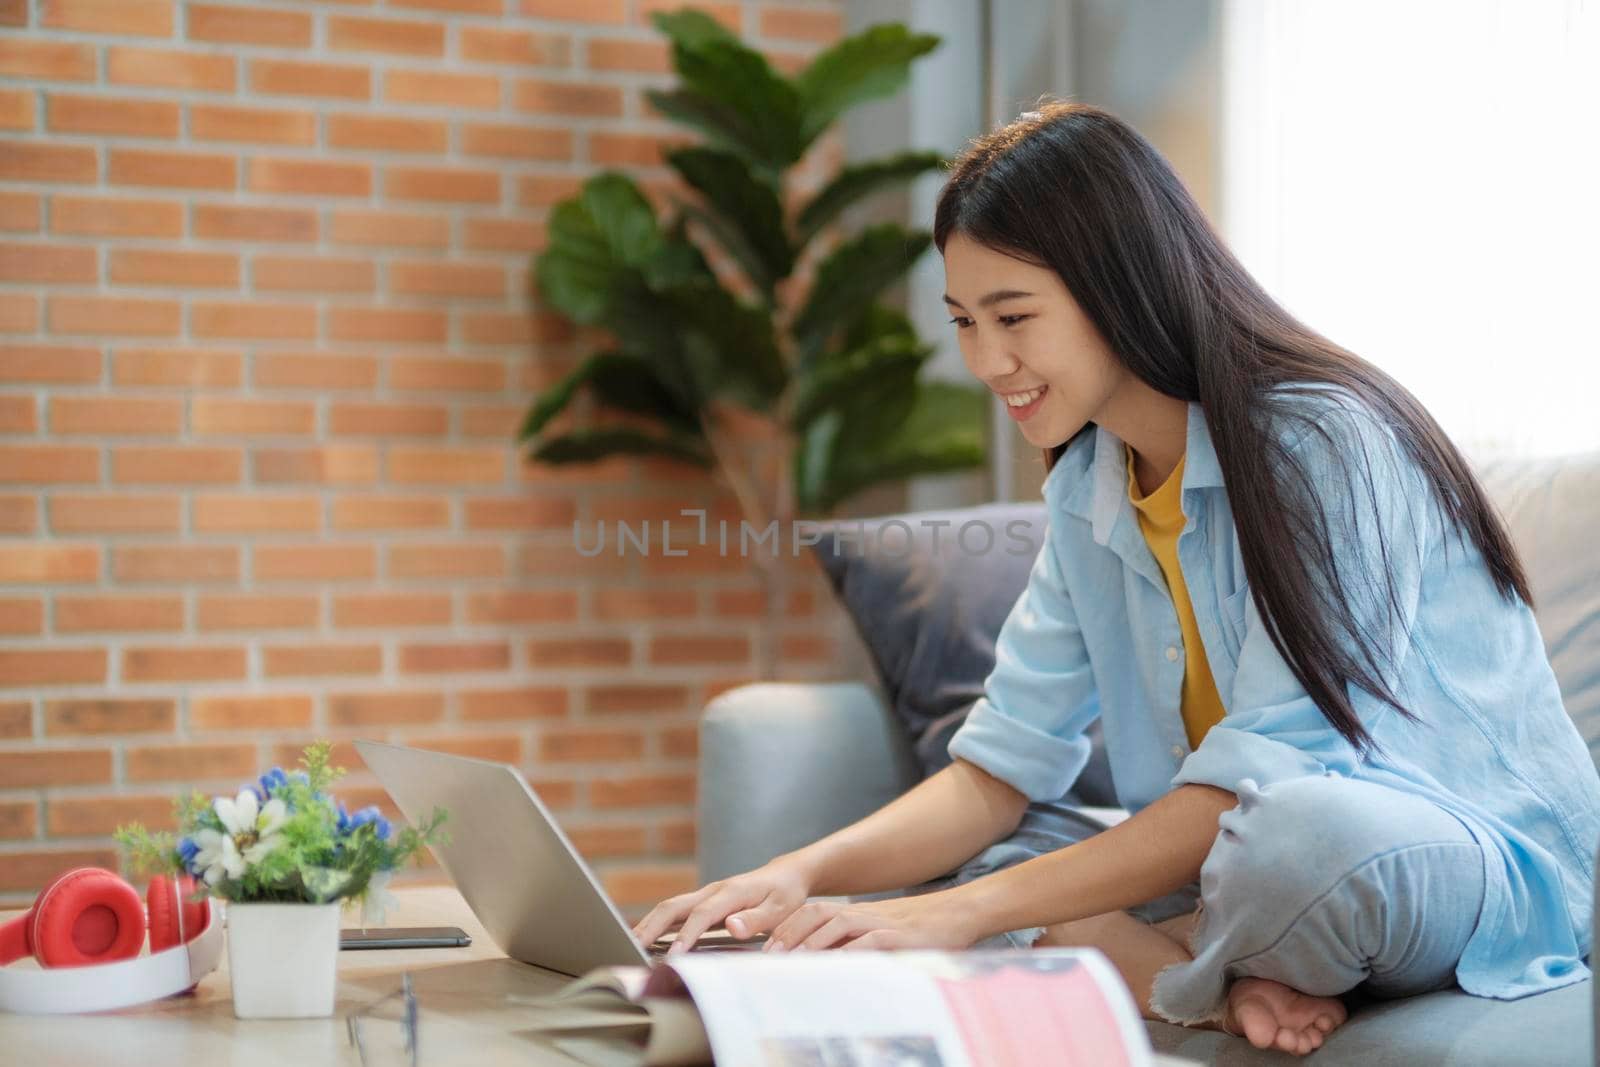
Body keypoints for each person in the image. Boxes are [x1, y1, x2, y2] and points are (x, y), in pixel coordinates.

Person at [631, 98, 1600, 1057]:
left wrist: (965, 914)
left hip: (1468, 861)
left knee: (1292, 837)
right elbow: (997, 771)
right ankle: (1220, 965)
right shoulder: (1090, 486)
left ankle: (1160, 956)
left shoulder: (1324, 441)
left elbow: (1263, 782)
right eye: (965, 321)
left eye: (1013, 316)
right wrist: (796, 873)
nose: (986, 361)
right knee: (1024, 847)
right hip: (1246, 855)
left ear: (1118, 285)